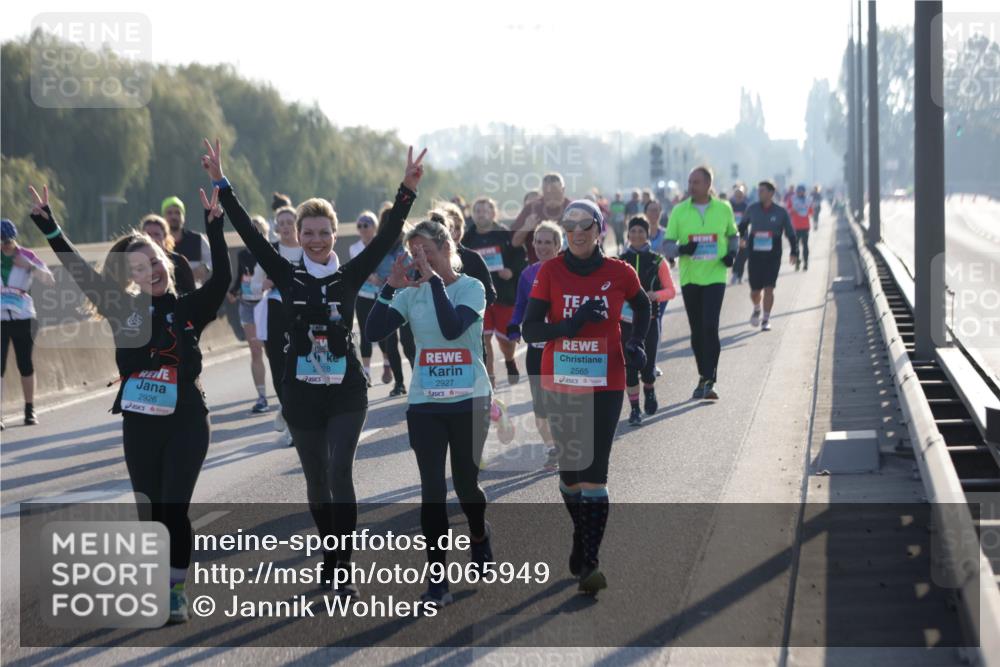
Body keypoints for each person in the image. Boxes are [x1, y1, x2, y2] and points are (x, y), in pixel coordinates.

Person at [207, 138, 425, 597]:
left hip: (345, 387)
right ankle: (329, 555)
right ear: (298, 236)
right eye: (308, 233)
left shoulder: (348, 273)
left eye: (324, 232)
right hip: (300, 389)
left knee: (341, 471)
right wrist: (221, 184)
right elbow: (247, 231)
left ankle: (342, 567)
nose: (317, 239)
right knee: (316, 479)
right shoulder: (287, 273)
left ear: (334, 235)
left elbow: (387, 237)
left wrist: (406, 190)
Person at [28, 182, 231, 624]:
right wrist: (50, 228)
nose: (150, 271)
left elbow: (224, 281)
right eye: (138, 268)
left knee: (173, 507)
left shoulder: (191, 306)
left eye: (154, 261)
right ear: (132, 276)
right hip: (140, 423)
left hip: (187, 421)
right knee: (149, 512)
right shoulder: (122, 308)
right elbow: (80, 272)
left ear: (166, 261)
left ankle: (175, 588)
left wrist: (216, 228)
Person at [522, 200, 651, 594]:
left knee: (595, 472)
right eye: (570, 224)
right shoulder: (551, 271)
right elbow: (530, 331)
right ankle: (582, 536)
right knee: (570, 476)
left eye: (585, 224)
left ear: (600, 229)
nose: (577, 231)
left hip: (607, 383)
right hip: (561, 382)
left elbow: (643, 306)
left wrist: (637, 344)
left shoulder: (619, 272)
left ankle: (590, 562)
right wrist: (572, 323)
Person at [366, 218, 494, 608]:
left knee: (467, 485)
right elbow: (373, 332)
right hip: (426, 403)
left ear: (446, 249)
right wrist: (391, 286)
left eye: (427, 252)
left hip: (470, 398)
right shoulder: (411, 293)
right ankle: (437, 580)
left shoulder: (470, 287)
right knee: (433, 491)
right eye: (414, 253)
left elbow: (453, 328)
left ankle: (478, 532)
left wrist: (434, 281)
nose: (420, 259)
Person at [664, 166, 738, 400]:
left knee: (710, 325)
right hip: (691, 277)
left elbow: (733, 235)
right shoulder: (679, 211)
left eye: (696, 182)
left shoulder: (723, 208)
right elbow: (667, 245)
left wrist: (731, 254)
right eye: (689, 181)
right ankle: (702, 376)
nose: (691, 186)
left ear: (708, 184)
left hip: (716, 276)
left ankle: (710, 379)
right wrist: (681, 249)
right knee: (697, 330)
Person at [507, 220, 563, 471]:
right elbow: (520, 305)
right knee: (540, 404)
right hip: (537, 347)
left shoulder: (567, 271)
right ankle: (553, 449)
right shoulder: (528, 274)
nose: (541, 246)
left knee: (561, 401)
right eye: (537, 242)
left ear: (558, 245)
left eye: (547, 242)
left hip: (562, 346)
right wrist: (513, 324)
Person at [250, 203, 302, 445]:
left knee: (301, 365)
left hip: (302, 314)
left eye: (289, 223)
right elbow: (252, 286)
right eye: (280, 224)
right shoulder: (270, 251)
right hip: (274, 313)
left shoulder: (308, 248)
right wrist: (265, 284)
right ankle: (290, 415)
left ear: (297, 225)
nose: (285, 228)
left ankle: (296, 412)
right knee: (278, 365)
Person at [463, 197, 527, 387]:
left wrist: (511, 271)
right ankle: (489, 377)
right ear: (473, 215)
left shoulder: (504, 234)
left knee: (506, 340)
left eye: (485, 210)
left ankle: (509, 360)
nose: (481, 214)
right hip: (480, 296)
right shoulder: (468, 238)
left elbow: (520, 256)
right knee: (484, 338)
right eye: (477, 210)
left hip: (504, 294)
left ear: (493, 213)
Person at [619, 215, 676, 426]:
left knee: (648, 365)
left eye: (641, 231)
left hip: (650, 320)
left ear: (647, 234)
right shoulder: (619, 260)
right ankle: (634, 409)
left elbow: (671, 290)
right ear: (628, 234)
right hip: (625, 322)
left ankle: (649, 389)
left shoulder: (657, 261)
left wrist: (655, 296)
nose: (636, 235)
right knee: (630, 367)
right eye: (633, 231)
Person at [1, 218, 55, 429]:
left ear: (14, 239)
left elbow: (50, 280)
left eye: (8, 241)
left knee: (25, 364)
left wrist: (30, 266)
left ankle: (29, 409)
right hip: (0, 319)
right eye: (1, 241)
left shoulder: (27, 256)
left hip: (24, 317)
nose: (5, 245)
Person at [738, 180, 799, 331]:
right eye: (759, 191)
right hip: (755, 255)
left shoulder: (781, 212)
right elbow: (742, 226)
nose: (759, 193)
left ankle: (765, 319)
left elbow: (790, 233)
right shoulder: (752, 209)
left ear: (771, 193)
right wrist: (743, 238)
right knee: (755, 291)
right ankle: (757, 308)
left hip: (773, 256)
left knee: (769, 288)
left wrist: (794, 251)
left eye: (762, 191)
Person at [227, 215, 270, 412]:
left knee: (272, 351)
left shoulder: (270, 253)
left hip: (266, 305)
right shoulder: (242, 254)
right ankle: (261, 397)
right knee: (255, 351)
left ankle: (286, 391)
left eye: (258, 231)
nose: (254, 234)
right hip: (247, 305)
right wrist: (233, 291)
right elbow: (239, 276)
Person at [349, 210, 384, 386]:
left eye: (366, 225)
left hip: (382, 294)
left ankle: (387, 363)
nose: (363, 228)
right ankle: (367, 372)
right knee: (365, 332)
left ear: (374, 227)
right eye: (360, 226)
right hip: (363, 295)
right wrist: (372, 277)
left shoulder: (382, 245)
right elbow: (359, 268)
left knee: (385, 331)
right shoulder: (354, 248)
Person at [511, 173, 572, 263]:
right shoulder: (532, 208)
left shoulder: (572, 208)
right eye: (547, 193)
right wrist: (527, 227)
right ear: (542, 191)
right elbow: (515, 242)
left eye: (555, 192)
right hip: (538, 267)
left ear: (563, 190)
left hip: (567, 267)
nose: (551, 196)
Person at [141, 215, 197, 294]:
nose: (152, 239)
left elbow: (192, 292)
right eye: (148, 234)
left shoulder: (179, 261)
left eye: (156, 234)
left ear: (165, 237)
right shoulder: (137, 262)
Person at [162, 196, 212, 285]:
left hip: (195, 292)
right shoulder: (158, 241)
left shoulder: (197, 239)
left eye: (177, 213)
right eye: (169, 213)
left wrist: (206, 268)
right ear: (163, 217)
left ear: (183, 217)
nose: (174, 216)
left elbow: (213, 259)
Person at [788, 184, 814, 271]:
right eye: (799, 191)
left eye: (802, 191)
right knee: (796, 246)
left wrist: (808, 208)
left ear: (804, 192)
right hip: (795, 226)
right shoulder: (792, 199)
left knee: (805, 245)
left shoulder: (808, 200)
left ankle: (806, 263)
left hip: (805, 226)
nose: (800, 193)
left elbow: (811, 213)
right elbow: (788, 211)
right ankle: (797, 262)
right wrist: (793, 210)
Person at [729, 186, 750, 285]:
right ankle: (734, 273)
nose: (739, 197)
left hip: (744, 233)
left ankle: (740, 275)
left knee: (743, 255)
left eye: (740, 195)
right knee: (735, 254)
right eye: (737, 195)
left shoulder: (746, 206)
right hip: (732, 233)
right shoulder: (730, 205)